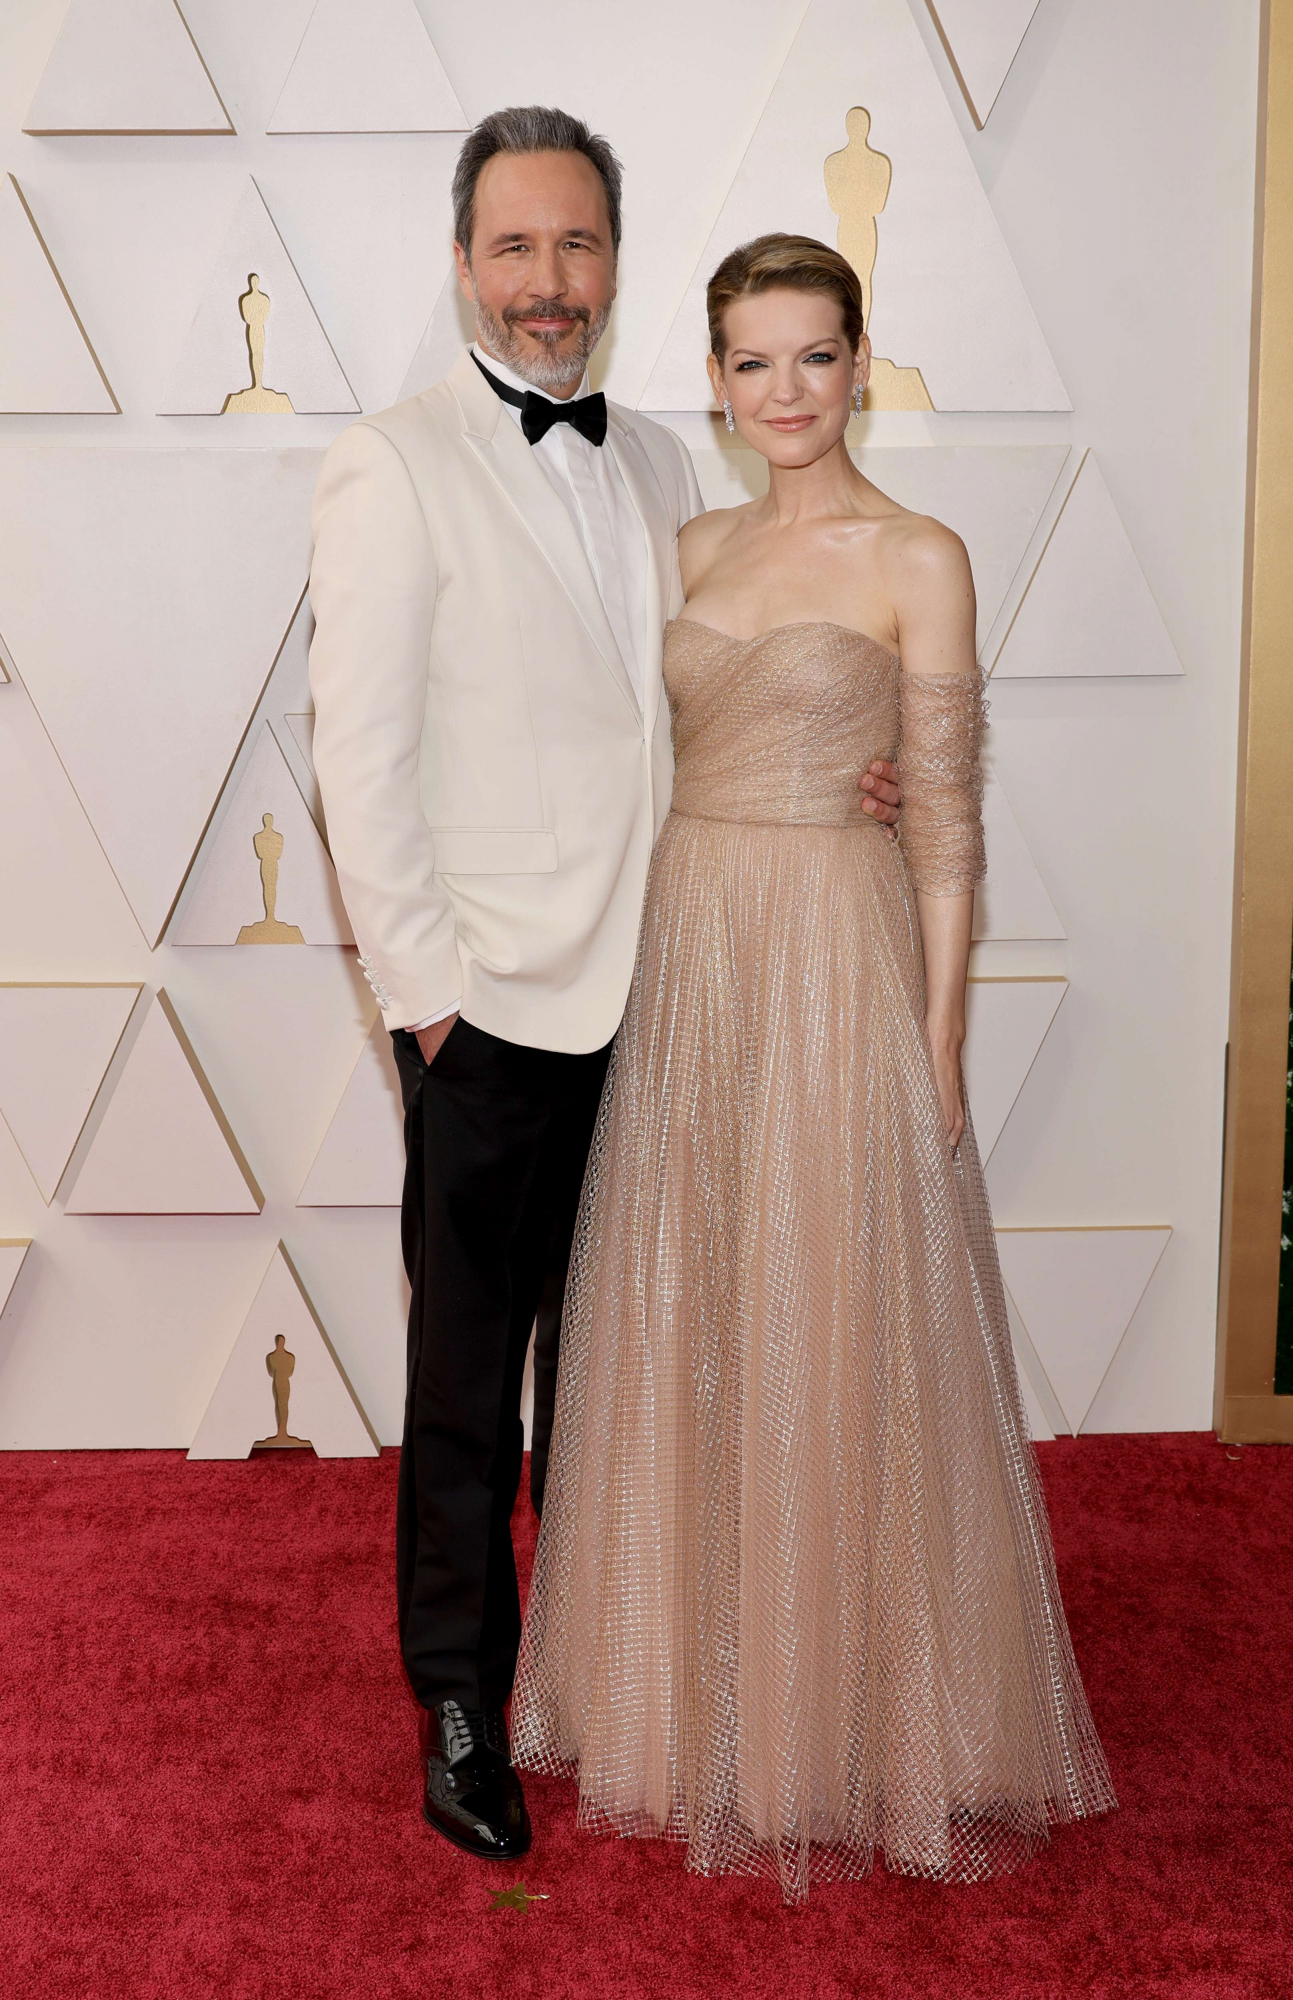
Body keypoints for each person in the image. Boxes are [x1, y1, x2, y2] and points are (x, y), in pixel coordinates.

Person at [307, 118, 904, 1864]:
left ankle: (609, 1669)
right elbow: (361, 756)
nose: (547, 284)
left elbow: (714, 691)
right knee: (466, 1381)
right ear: (462, 262)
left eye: (576, 249)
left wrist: (852, 768)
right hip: (489, 1002)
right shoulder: (390, 462)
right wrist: (427, 1000)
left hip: (669, 992)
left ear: (616, 265)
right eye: (514, 249)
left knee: (631, 1372)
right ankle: (462, 1698)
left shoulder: (660, 468)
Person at [512, 233, 1116, 1903]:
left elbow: (944, 821)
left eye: (815, 356)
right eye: (752, 362)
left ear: (861, 362)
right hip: (691, 949)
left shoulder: (918, 554)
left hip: (836, 960)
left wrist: (933, 1040)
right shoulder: (688, 541)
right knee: (696, 1313)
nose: (785, 391)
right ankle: (695, 1700)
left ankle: (843, 1716)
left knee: (831, 1316)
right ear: (711, 378)